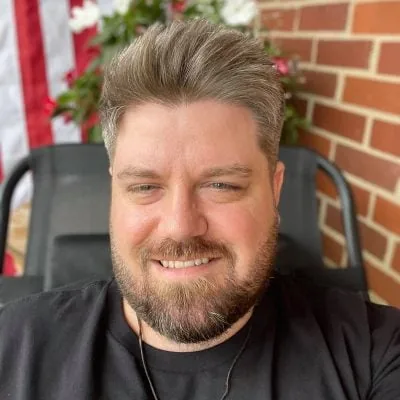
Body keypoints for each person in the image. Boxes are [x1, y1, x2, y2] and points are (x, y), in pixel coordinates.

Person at [0, 19, 399, 400]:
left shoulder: (375, 351)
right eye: (144, 186)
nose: (180, 226)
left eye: (221, 185)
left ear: (275, 191)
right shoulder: (12, 345)